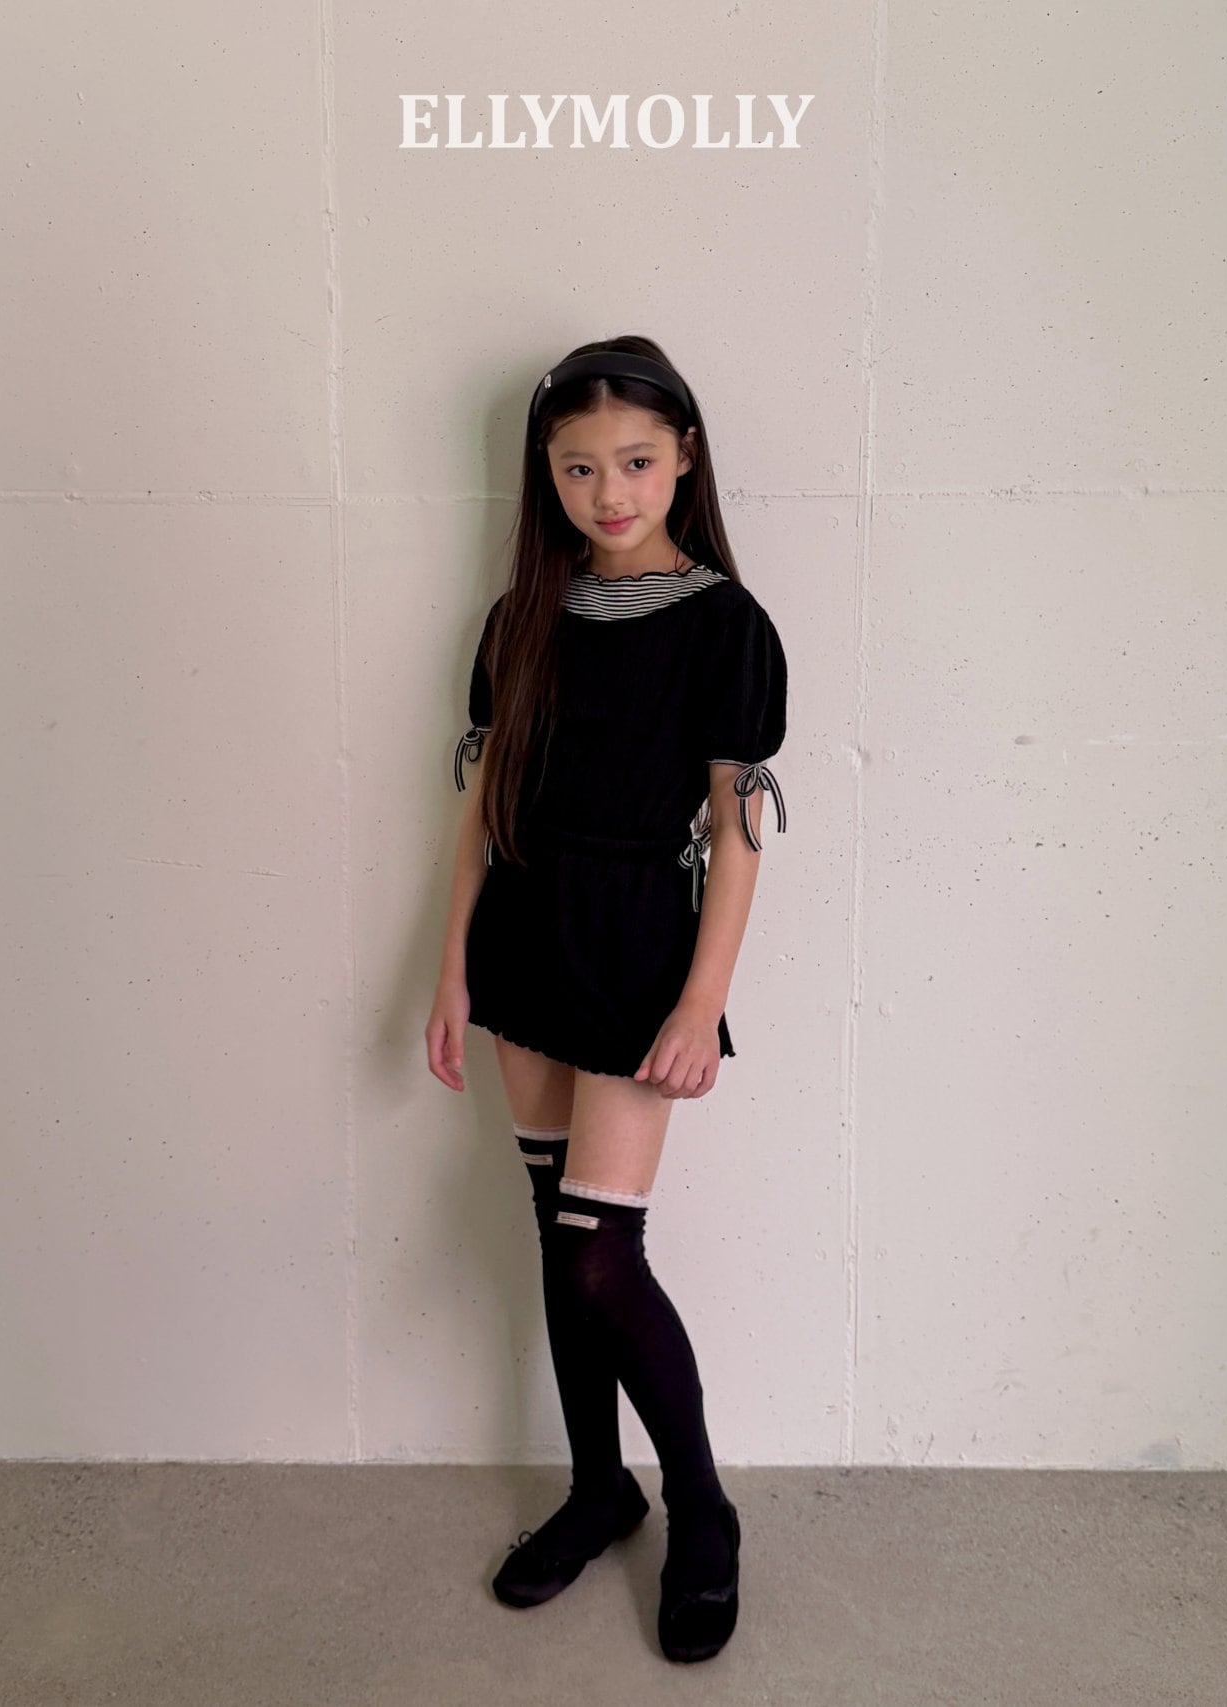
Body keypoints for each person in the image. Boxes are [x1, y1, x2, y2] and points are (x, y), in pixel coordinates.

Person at [424, 335, 788, 1664]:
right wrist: (452, 968)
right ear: (548, 475)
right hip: (524, 936)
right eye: (579, 468)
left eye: (635, 461)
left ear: (684, 457)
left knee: (599, 1252)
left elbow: (738, 837)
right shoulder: (520, 620)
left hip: (639, 952)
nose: (609, 491)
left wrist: (701, 1004)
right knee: (552, 1235)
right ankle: (597, 1487)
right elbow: (480, 809)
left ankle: (701, 1508)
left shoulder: (726, 625)